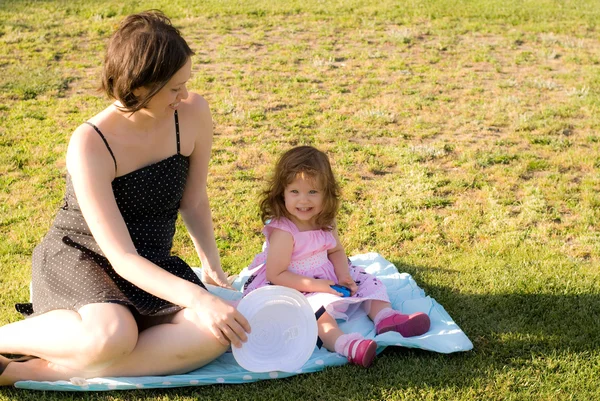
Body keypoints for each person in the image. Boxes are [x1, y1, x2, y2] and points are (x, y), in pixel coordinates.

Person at [0, 10, 250, 386]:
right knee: (114, 335)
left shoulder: (193, 112)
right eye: (173, 88)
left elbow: (193, 200)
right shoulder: (90, 142)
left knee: (219, 331)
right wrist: (197, 297)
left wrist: (211, 266)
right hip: (83, 256)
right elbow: (120, 256)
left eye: (186, 83)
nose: (184, 95)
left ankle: (29, 370)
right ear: (137, 87)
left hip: (150, 261)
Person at [242, 146, 430, 368]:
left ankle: (386, 317)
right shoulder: (284, 231)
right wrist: (319, 286)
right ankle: (345, 344)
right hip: (292, 284)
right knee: (316, 315)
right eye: (295, 192)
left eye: (313, 192)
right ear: (282, 193)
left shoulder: (325, 221)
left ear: (326, 192)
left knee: (368, 283)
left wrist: (343, 276)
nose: (304, 200)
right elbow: (276, 274)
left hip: (326, 276)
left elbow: (335, 251)